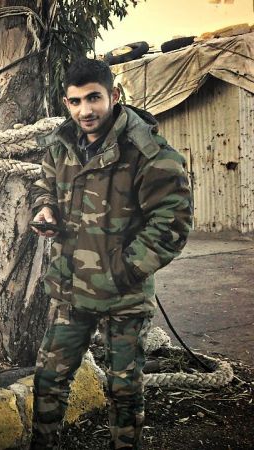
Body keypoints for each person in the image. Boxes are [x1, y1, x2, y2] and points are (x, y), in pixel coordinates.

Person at [28, 57, 192, 449]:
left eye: (94, 98)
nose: (85, 110)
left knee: (124, 390)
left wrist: (120, 271)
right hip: (71, 288)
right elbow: (43, 186)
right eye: (75, 101)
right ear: (66, 103)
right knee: (48, 380)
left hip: (124, 295)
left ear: (114, 95)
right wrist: (45, 209)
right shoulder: (61, 145)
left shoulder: (147, 151)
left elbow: (172, 223)